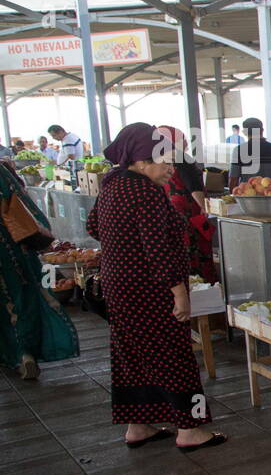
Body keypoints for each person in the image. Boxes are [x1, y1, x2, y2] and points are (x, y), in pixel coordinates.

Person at [86, 123, 226, 450]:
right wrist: (179, 292)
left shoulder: (111, 185)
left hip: (118, 285)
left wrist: (123, 248)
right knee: (174, 356)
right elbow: (158, 249)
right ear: (139, 161)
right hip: (151, 288)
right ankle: (190, 430)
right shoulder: (145, 191)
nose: (170, 167)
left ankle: (138, 426)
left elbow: (94, 226)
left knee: (131, 355)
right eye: (162, 159)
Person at [0, 164, 79, 379]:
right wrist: (43, 233)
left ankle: (12, 353)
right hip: (13, 247)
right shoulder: (1, 172)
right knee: (23, 298)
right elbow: (25, 205)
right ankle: (24, 354)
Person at [157, 126, 218, 284]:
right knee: (197, 252)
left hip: (171, 212)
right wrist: (205, 208)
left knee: (181, 251)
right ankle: (205, 289)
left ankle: (189, 286)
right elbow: (194, 187)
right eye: (182, 138)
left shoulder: (159, 160)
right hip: (189, 214)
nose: (186, 142)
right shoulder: (182, 159)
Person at [231, 118, 271, 187]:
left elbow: (233, 179)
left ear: (245, 132)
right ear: (262, 131)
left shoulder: (239, 150)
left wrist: (232, 196)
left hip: (247, 196)